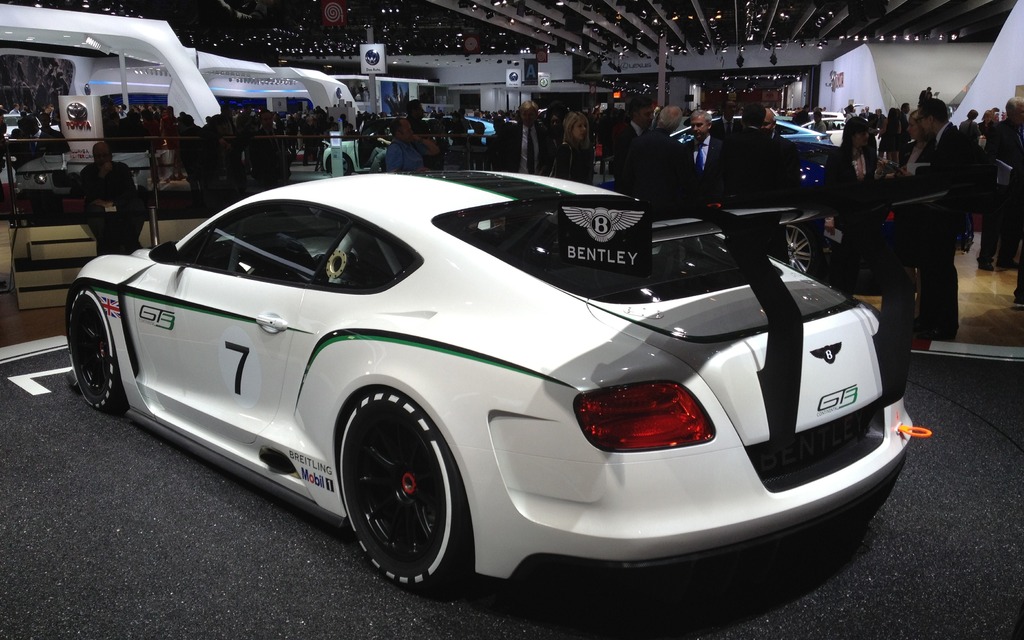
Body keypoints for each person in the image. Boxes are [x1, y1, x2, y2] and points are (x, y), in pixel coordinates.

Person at [911, 98, 977, 340]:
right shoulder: (945, 139)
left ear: (930, 119)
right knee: (933, 271)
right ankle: (930, 320)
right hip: (937, 218)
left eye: (922, 120)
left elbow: (952, 181)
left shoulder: (952, 140)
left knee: (941, 273)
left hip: (944, 219)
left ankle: (944, 324)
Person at [823, 116, 880, 295]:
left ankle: (849, 295)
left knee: (855, 260)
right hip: (841, 218)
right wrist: (829, 218)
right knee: (839, 259)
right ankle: (836, 296)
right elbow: (830, 189)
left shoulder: (870, 153)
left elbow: (870, 183)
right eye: (862, 134)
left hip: (862, 218)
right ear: (852, 135)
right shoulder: (837, 157)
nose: (866, 137)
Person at [617, 105, 695, 216]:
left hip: (640, 202)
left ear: (658, 119)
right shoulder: (678, 148)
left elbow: (627, 176)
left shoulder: (637, 142)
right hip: (667, 205)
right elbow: (686, 180)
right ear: (676, 125)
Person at [981, 96, 1024, 277]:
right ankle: (985, 258)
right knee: (994, 224)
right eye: (1022, 111)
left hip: (1018, 187)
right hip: (1002, 186)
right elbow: (991, 156)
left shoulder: (1019, 131)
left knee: (1014, 224)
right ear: (1012, 112)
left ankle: (1005, 257)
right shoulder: (999, 130)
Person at [80, 141, 145, 255]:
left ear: (110, 156)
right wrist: (101, 175)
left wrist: (113, 203)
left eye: (104, 155)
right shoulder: (87, 172)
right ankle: (105, 246)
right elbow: (91, 195)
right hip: (99, 209)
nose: (101, 159)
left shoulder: (121, 168)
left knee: (136, 205)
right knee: (95, 211)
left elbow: (130, 192)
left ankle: (131, 244)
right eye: (98, 156)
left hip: (119, 205)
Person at [489, 100, 553, 176]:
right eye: (524, 114)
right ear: (521, 115)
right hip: (516, 178)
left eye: (531, 114)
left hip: (538, 178)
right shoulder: (511, 132)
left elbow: (546, 157)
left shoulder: (542, 133)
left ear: (536, 115)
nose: (527, 117)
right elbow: (493, 149)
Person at [610, 95, 654, 189]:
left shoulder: (650, 135)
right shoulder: (624, 137)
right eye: (647, 114)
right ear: (635, 114)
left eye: (652, 114)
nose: (651, 118)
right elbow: (621, 171)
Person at [685, 109, 724, 199]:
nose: (695, 129)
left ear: (709, 125)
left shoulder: (720, 147)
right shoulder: (686, 148)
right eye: (692, 125)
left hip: (714, 199)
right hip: (691, 200)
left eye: (699, 125)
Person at [552, 111, 593, 184]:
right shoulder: (565, 149)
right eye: (579, 126)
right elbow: (561, 179)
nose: (584, 129)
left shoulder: (584, 149)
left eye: (585, 126)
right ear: (570, 128)